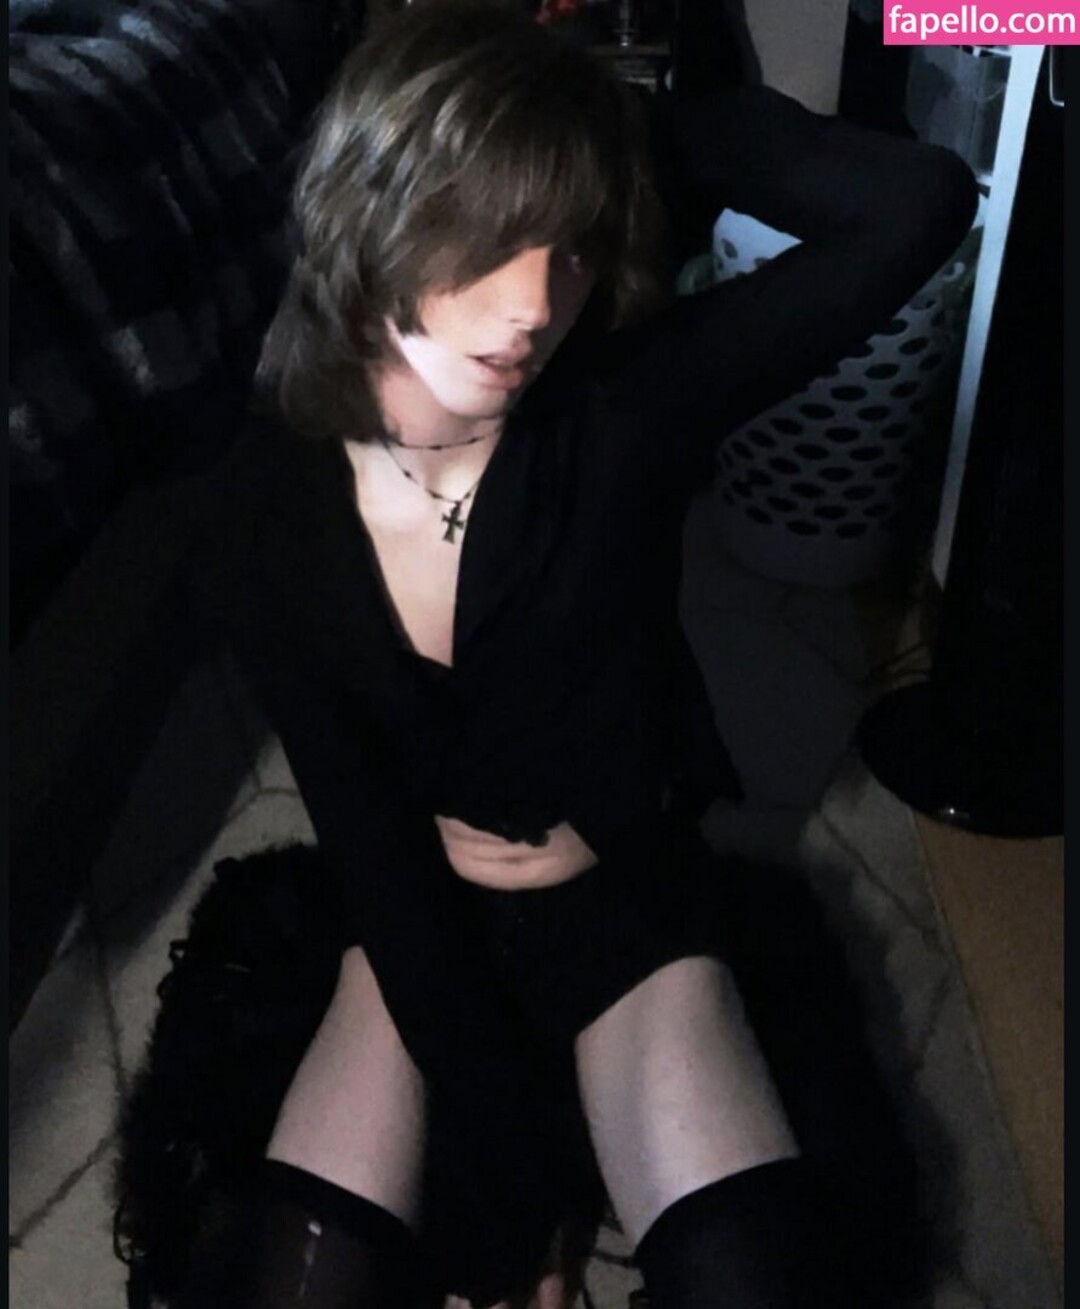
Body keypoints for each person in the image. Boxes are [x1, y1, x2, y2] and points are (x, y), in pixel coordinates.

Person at [186, 2, 978, 1305]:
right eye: (489, 235)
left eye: (570, 248)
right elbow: (368, 836)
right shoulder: (261, 509)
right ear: (369, 211)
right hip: (421, 913)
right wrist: (519, 1196)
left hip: (622, 892)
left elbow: (917, 203)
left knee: (756, 1278)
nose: (535, 305)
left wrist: (610, 131)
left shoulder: (621, 405)